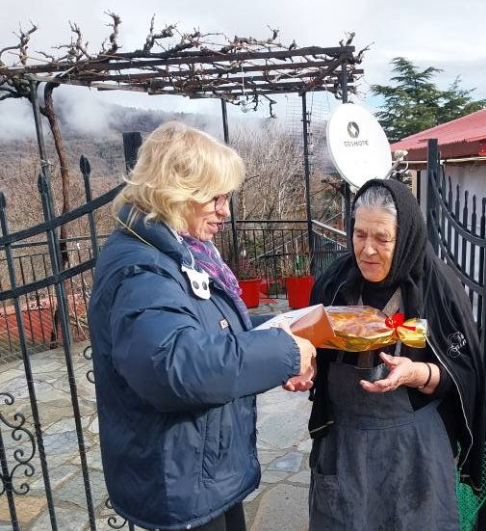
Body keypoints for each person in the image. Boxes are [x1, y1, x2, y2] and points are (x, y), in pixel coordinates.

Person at [88, 121, 316, 531]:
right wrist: (282, 352)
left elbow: (211, 328)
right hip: (180, 480)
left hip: (200, 472)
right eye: (215, 197)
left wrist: (283, 330)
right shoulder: (144, 268)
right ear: (176, 190)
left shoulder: (181, 251)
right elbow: (172, 365)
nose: (224, 210)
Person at [302, 179, 485, 531]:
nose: (367, 250)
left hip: (413, 450)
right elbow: (312, 350)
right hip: (345, 446)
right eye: (359, 235)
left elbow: (465, 373)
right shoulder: (333, 283)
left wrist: (417, 374)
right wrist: (305, 367)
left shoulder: (438, 289)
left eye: (382, 238)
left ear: (405, 237)